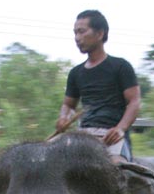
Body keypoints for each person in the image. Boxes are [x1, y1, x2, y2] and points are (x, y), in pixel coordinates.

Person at [55, 10, 141, 163]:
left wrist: (120, 129)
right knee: (44, 161)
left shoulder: (121, 66)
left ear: (100, 33)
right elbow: (68, 105)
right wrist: (63, 118)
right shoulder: (75, 73)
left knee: (116, 169)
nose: (77, 38)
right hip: (82, 135)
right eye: (75, 33)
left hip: (111, 135)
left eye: (82, 32)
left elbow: (134, 102)